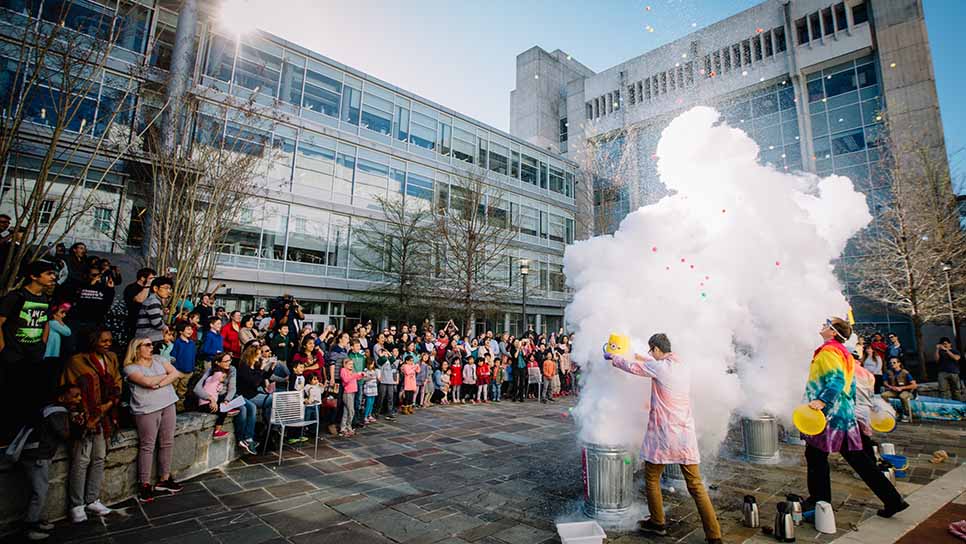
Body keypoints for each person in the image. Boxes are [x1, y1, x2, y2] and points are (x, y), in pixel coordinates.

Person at [606, 333, 722, 544]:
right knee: (696, 485)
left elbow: (633, 368)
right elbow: (651, 363)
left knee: (651, 477)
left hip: (663, 435)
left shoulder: (659, 368)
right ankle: (714, 535)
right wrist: (639, 355)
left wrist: (613, 357)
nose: (651, 354)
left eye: (651, 350)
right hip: (685, 435)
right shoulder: (681, 366)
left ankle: (658, 523)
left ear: (657, 349)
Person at [801, 318, 908, 520]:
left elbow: (837, 380)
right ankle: (893, 499)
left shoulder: (829, 351)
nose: (822, 327)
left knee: (816, 456)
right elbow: (848, 385)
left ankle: (819, 501)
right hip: (843, 414)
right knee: (858, 459)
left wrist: (822, 402)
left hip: (829, 416)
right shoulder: (844, 353)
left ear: (833, 333)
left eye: (827, 325)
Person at [61, 328, 122, 523]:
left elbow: (117, 381)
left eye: (109, 340)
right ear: (93, 341)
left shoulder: (111, 358)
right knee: (81, 460)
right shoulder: (77, 362)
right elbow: (69, 389)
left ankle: (92, 499)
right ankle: (76, 504)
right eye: (103, 341)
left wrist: (110, 402)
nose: (108, 344)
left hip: (105, 415)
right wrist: (85, 413)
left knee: (99, 458)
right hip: (86, 417)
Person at [122, 337, 183, 503]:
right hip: (146, 408)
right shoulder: (130, 367)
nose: (151, 348)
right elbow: (146, 382)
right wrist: (163, 377)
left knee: (167, 442)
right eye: (147, 345)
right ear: (137, 349)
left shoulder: (159, 359)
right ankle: (145, 483)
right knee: (147, 445)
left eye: (152, 345)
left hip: (168, 403)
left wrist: (157, 383)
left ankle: (164, 478)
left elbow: (176, 373)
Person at [0, 261, 57, 439]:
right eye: (48, 273)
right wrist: (3, 349)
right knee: (9, 395)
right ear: (34, 276)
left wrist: (43, 343)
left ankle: (22, 434)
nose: (53, 277)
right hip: (13, 355)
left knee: (28, 395)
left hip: (34, 355)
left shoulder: (44, 299)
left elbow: (46, 322)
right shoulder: (16, 297)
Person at [18, 384, 78, 541]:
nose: (78, 399)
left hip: (36, 454)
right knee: (40, 491)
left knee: (39, 490)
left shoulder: (50, 409)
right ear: (62, 398)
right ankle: (29, 526)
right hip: (37, 456)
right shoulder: (57, 412)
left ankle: (35, 520)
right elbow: (64, 433)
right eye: (75, 396)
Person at [59, 263, 115, 353]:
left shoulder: (103, 288)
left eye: (98, 275)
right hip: (77, 322)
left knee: (90, 349)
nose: (97, 277)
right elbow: (74, 299)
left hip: (94, 323)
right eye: (94, 275)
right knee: (72, 349)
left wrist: (110, 289)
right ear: (86, 275)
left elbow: (107, 304)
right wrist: (90, 285)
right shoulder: (79, 285)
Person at [193, 351, 238, 440]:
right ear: (218, 363)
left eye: (230, 360)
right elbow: (197, 388)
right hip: (207, 401)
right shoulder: (216, 373)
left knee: (240, 407)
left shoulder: (230, 370)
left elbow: (231, 388)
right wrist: (211, 399)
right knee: (222, 410)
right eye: (226, 361)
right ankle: (217, 431)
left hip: (221, 397)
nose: (229, 363)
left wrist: (227, 400)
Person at [135, 277, 173, 351]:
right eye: (166, 288)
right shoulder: (154, 301)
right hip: (149, 339)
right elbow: (157, 323)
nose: (168, 291)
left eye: (170, 289)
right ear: (155, 288)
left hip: (148, 338)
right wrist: (165, 327)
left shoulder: (154, 301)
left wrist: (164, 314)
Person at [168, 322, 197, 410]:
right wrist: (175, 370)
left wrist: (192, 368)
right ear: (181, 331)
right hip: (177, 371)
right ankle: (171, 407)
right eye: (188, 329)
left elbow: (193, 356)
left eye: (191, 329)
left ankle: (180, 407)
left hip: (188, 371)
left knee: (182, 391)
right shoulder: (177, 343)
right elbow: (173, 357)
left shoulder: (192, 343)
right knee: (173, 389)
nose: (190, 331)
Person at [123, 268, 156, 343]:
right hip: (135, 323)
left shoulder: (151, 289)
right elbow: (140, 300)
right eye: (151, 278)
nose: (152, 281)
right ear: (142, 278)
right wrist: (147, 285)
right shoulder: (131, 288)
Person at [882, 358, 918, 422]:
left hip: (907, 391)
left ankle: (907, 414)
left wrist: (902, 388)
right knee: (884, 395)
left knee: (903, 396)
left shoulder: (905, 372)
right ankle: (893, 412)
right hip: (895, 391)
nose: (892, 364)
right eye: (891, 363)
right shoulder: (889, 372)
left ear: (899, 363)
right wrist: (891, 387)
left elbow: (914, 385)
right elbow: (885, 382)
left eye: (894, 362)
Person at [338, 357, 365, 436]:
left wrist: (361, 375)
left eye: (352, 364)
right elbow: (346, 380)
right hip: (347, 393)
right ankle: (348, 426)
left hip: (353, 392)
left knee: (346, 411)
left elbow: (356, 378)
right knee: (351, 411)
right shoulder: (343, 370)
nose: (351, 366)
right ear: (344, 364)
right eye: (349, 364)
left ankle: (343, 427)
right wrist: (355, 375)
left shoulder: (352, 371)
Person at [935, 337, 962, 402]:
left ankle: (958, 404)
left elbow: (956, 358)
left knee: (956, 390)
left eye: (946, 343)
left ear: (950, 344)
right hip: (942, 373)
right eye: (943, 344)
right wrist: (937, 350)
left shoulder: (955, 351)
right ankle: (945, 405)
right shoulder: (940, 352)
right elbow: (936, 360)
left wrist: (947, 350)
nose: (945, 345)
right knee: (943, 391)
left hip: (954, 372)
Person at [376, 352, 397, 421]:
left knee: (390, 397)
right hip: (383, 381)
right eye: (384, 353)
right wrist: (382, 355)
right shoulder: (381, 360)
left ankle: (389, 412)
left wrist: (389, 354)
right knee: (381, 397)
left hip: (390, 381)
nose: (385, 354)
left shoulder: (391, 361)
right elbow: (381, 361)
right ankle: (377, 411)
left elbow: (393, 360)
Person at [362, 357, 378, 423]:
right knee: (368, 403)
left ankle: (369, 415)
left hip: (374, 388)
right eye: (371, 364)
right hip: (368, 389)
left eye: (373, 364)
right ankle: (365, 416)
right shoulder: (366, 370)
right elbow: (364, 379)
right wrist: (369, 378)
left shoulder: (374, 370)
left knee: (372, 403)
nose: (372, 365)